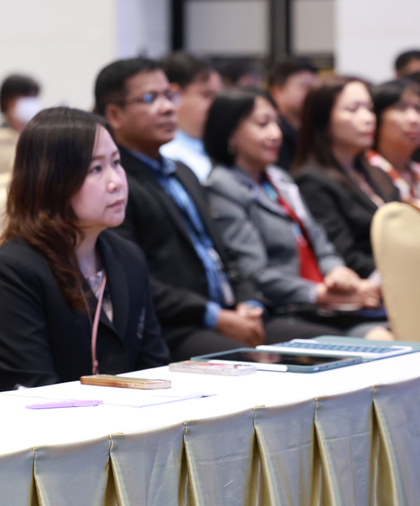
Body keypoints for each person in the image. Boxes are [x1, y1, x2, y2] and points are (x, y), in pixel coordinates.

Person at [94, 59, 332, 361]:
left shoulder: (183, 172)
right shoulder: (118, 186)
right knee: (257, 365)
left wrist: (248, 302)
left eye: (170, 95)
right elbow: (134, 279)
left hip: (231, 312)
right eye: (151, 98)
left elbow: (225, 252)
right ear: (114, 114)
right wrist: (215, 316)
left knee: (337, 349)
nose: (168, 108)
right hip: (176, 326)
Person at [0, 108, 169, 393]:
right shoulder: (10, 275)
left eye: (116, 162)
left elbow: (154, 370)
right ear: (51, 181)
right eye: (96, 169)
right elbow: (32, 392)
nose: (116, 182)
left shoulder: (128, 257)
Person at [203, 89, 388, 338]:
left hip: (323, 305)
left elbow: (319, 240)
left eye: (276, 123)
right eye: (263, 124)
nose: (276, 134)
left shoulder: (279, 178)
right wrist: (318, 293)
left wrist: (336, 272)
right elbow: (253, 271)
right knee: (380, 339)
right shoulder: (223, 186)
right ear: (230, 132)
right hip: (280, 310)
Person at [293, 78, 399, 279]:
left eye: (369, 109)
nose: (368, 118)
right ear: (324, 121)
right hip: (368, 284)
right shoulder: (312, 181)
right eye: (353, 110)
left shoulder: (376, 171)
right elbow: (345, 255)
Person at [159, 52, 223, 181]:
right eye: (207, 95)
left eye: (218, 96)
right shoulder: (166, 154)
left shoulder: (217, 145)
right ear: (173, 96)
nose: (217, 104)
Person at [366, 79, 420, 204]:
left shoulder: (416, 170)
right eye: (401, 108)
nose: (414, 119)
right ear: (377, 116)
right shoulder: (364, 171)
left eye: (418, 109)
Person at [268, 58, 318, 171]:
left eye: (314, 88)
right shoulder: (272, 137)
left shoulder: (315, 131)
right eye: (305, 87)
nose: (312, 94)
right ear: (277, 91)